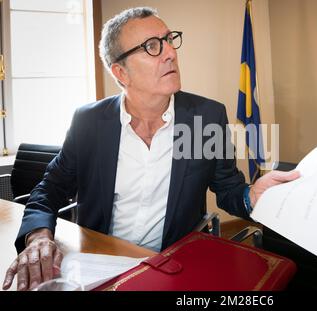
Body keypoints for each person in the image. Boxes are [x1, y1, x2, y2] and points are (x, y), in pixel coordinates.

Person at [2, 7, 299, 291]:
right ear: (121, 72)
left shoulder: (204, 118)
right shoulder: (90, 122)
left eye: (170, 40)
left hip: (172, 265)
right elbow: (48, 191)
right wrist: (38, 235)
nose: (171, 52)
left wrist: (251, 196)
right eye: (152, 46)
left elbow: (229, 189)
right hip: (101, 263)